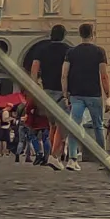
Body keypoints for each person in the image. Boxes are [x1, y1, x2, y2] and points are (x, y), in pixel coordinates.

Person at [61, 22, 110, 171]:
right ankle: (103, 159)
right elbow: (104, 75)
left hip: (76, 94)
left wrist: (65, 94)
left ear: (80, 34)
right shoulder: (99, 52)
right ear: (92, 34)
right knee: (98, 126)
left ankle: (72, 159)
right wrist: (108, 96)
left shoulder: (71, 52)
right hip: (94, 94)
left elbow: (64, 75)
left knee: (74, 126)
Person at [31, 23, 69, 171]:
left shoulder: (42, 49)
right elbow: (67, 72)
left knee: (52, 124)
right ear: (64, 35)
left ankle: (54, 156)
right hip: (61, 91)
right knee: (62, 124)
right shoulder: (68, 50)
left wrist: (35, 86)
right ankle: (54, 156)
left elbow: (34, 69)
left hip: (46, 91)